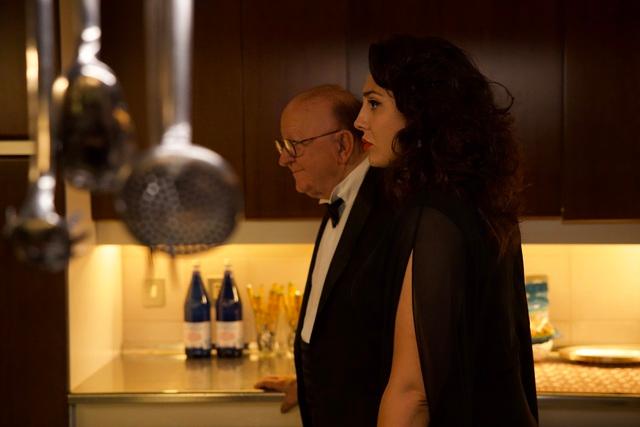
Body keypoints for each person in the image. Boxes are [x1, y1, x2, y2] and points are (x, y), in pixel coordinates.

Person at [354, 35, 538, 426]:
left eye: (374, 103)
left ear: (422, 113)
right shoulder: (478, 203)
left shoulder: (432, 217)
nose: (359, 120)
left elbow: (412, 393)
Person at [255, 85, 395, 426]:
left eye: (294, 146)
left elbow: (388, 349)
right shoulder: (339, 201)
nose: (283, 159)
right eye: (283, 146)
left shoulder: (390, 212)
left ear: (343, 146)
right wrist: (307, 385)